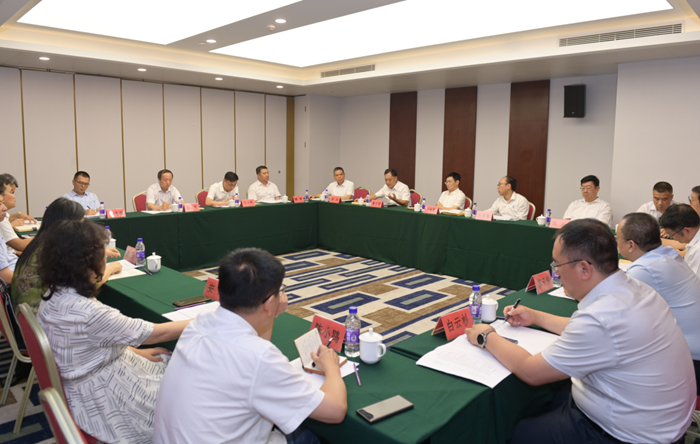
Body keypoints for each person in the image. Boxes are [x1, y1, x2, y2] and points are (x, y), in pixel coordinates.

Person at [465, 219, 695, 444]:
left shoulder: (602, 317)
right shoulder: (634, 288)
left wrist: (486, 336)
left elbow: (531, 371)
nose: (556, 273)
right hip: (656, 418)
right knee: (551, 399)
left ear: (584, 268)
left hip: (623, 434)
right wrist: (535, 317)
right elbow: (595, 334)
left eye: (557, 266)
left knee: (516, 432)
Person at [154, 248, 347, 443]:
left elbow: (255, 347)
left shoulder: (199, 323)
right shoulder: (261, 358)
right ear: (269, 303)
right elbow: (335, 410)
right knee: (311, 435)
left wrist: (270, 313)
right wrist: (331, 366)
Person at [36, 219, 190, 444]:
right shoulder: (90, 313)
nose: (106, 258)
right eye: (102, 253)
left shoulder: (53, 293)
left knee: (168, 367)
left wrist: (132, 352)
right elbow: (158, 334)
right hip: (104, 396)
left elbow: (88, 343)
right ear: (87, 262)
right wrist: (209, 318)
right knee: (186, 394)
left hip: (90, 378)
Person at [617, 212, 700, 394]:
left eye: (618, 239)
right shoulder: (667, 253)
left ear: (631, 245)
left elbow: (614, 311)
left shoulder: (644, 269)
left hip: (691, 363)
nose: (617, 243)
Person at [11, 197, 122, 313]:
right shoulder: (56, 251)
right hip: (42, 316)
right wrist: (111, 269)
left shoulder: (39, 243)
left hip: (24, 315)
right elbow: (86, 286)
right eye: (80, 223)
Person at [659, 204, 700, 276]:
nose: (672, 238)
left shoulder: (697, 251)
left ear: (687, 231)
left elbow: (693, 282)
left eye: (671, 235)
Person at [0, 175, 33, 254]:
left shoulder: (3, 216)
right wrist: (45, 234)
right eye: (12, 192)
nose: (14, 196)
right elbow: (21, 246)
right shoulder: (2, 221)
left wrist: (17, 215)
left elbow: (7, 216)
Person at [0, 184, 18, 285]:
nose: (5, 208)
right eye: (0, 204)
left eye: (3, 203)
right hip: (12, 284)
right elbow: (7, 278)